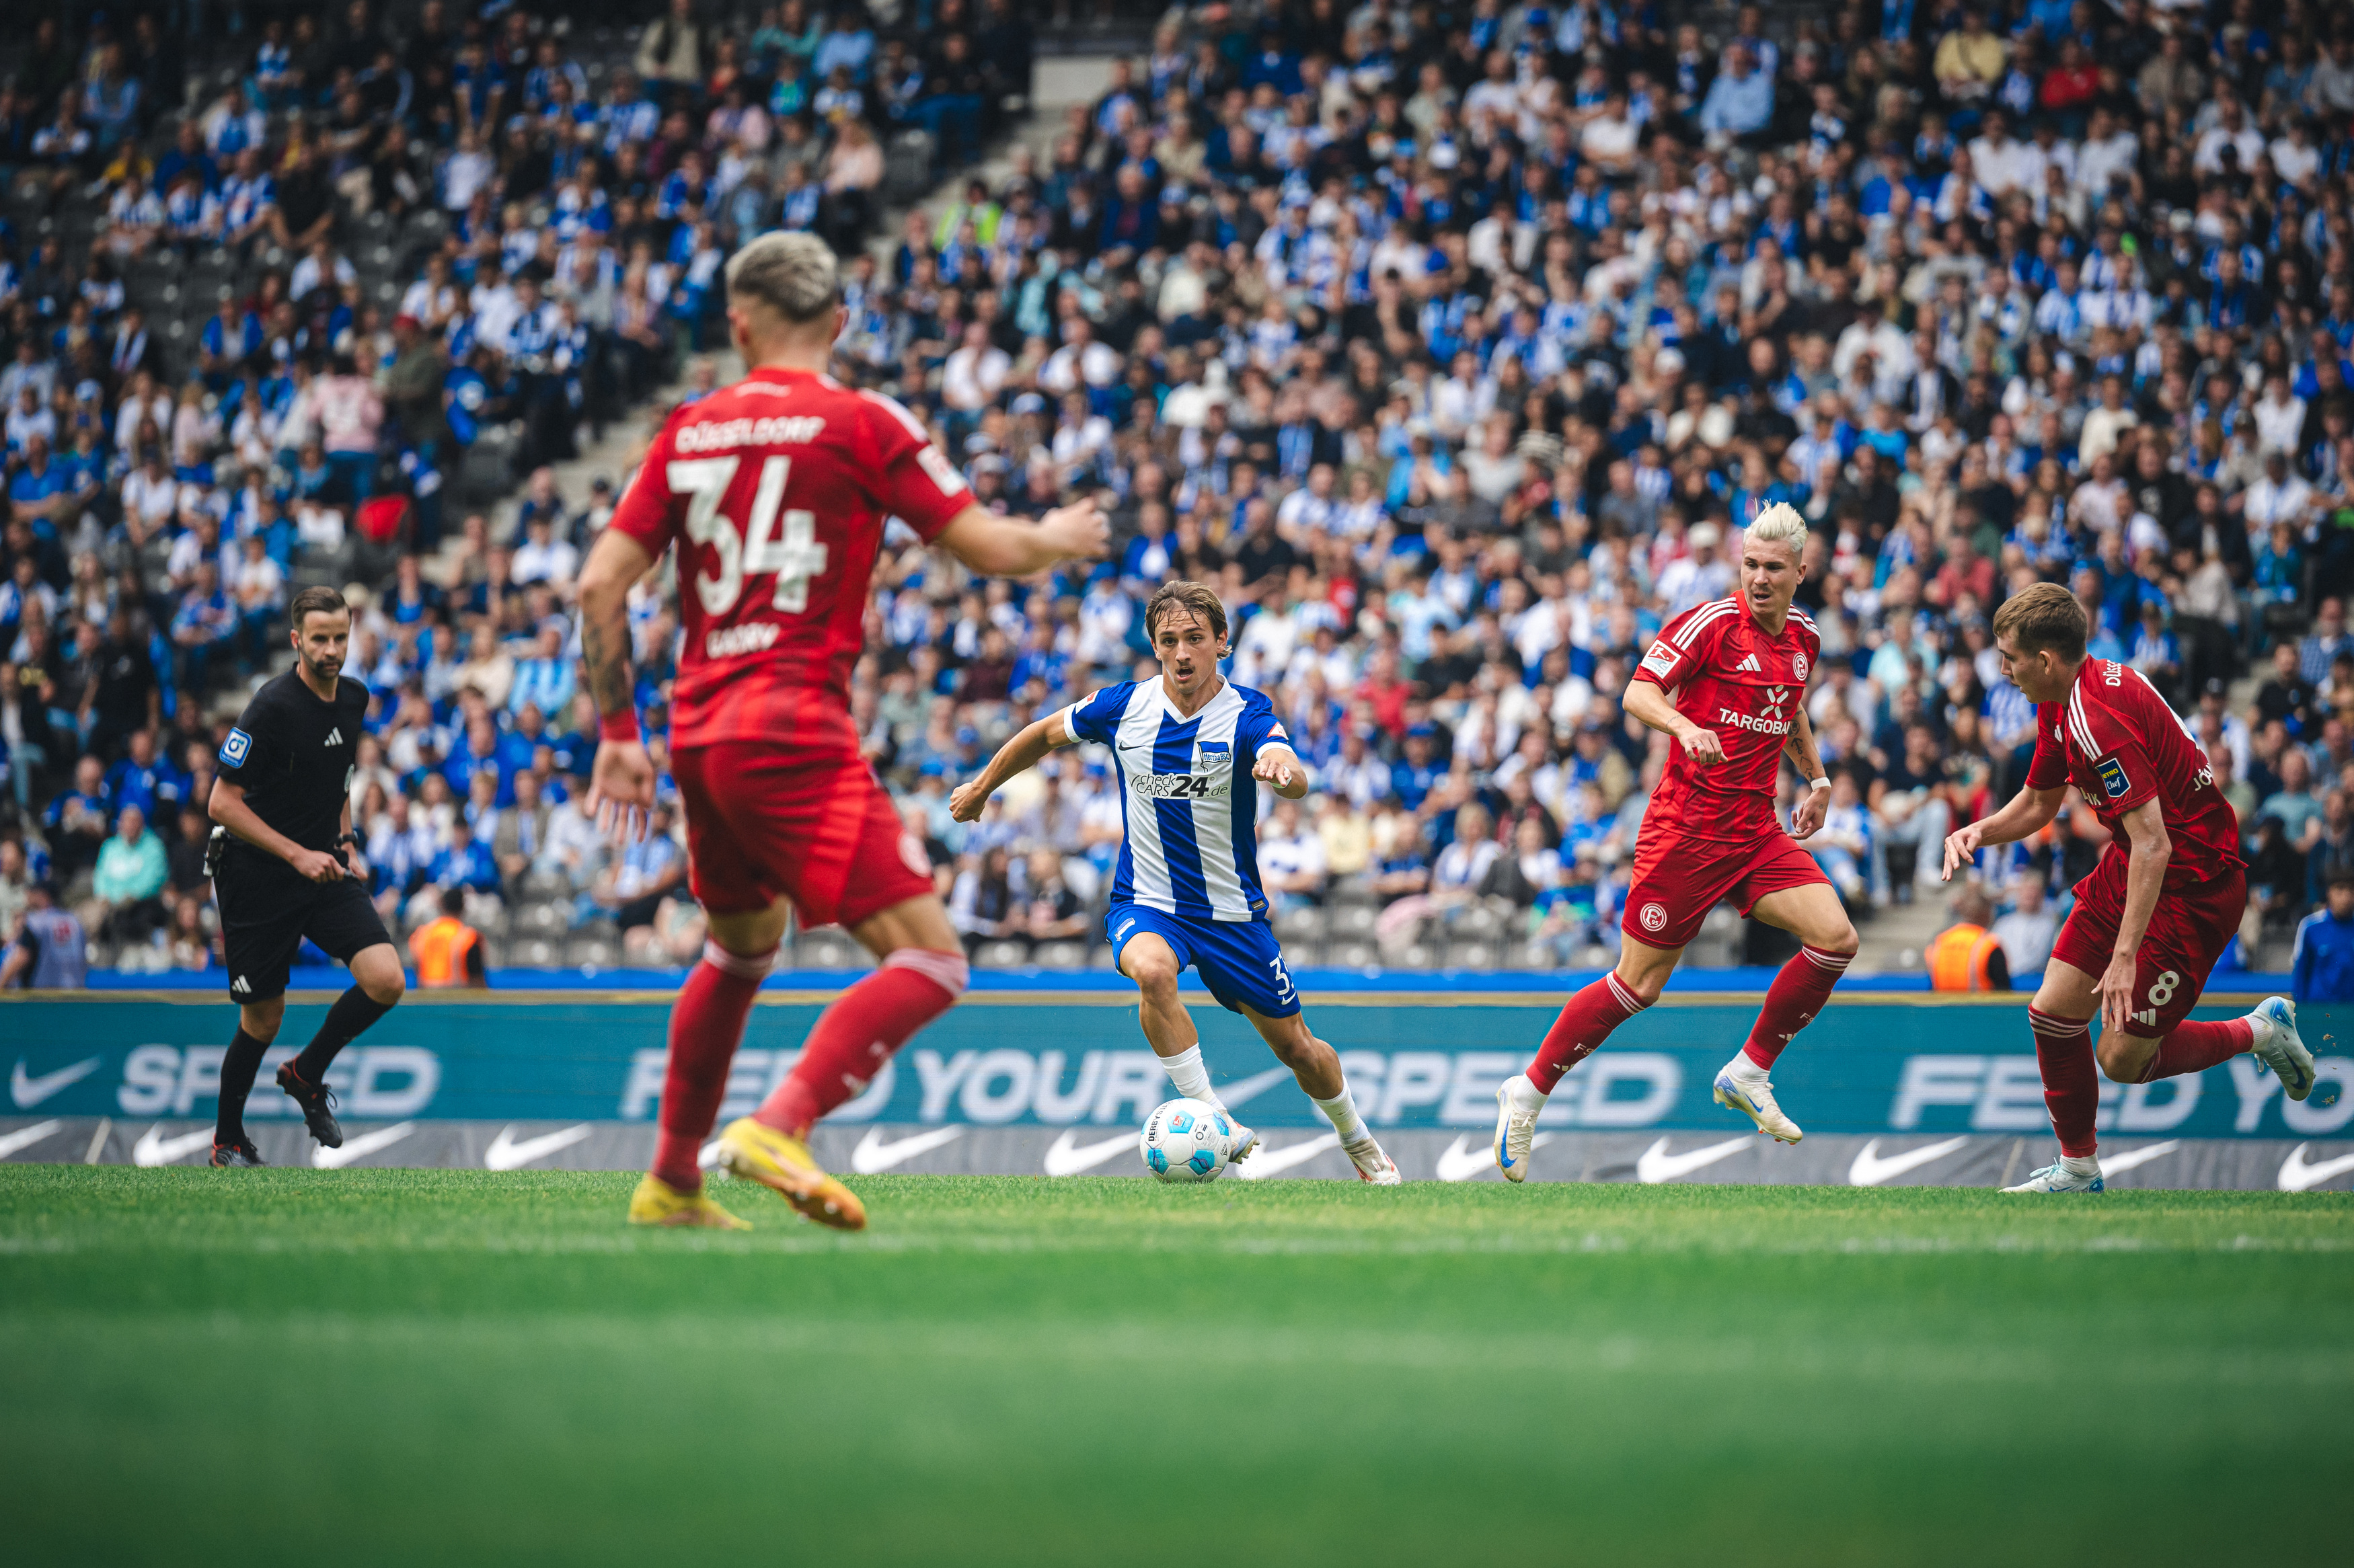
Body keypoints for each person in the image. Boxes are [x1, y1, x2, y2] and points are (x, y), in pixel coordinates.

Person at [578, 231, 1106, 1232]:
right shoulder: (861, 421)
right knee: (933, 958)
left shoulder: (688, 431)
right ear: (842, 321)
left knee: (738, 951)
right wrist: (1060, 538)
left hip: (698, 731)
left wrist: (616, 729)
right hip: (790, 725)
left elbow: (603, 581)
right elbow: (988, 545)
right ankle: (782, 1122)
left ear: (738, 325)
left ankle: (670, 1184)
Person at [950, 580, 1402, 1184]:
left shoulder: (1247, 712)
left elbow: (1290, 770)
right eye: (1169, 641)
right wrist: (983, 787)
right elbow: (1041, 734)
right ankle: (1215, 1116)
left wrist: (1283, 772)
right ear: (1155, 648)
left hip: (1232, 914)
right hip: (1148, 901)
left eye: (1195, 638)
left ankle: (1360, 1143)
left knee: (1299, 1049)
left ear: (1222, 643)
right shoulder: (1122, 707)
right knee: (1153, 971)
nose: (1183, 652)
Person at [1493, 504, 1858, 1179]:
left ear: (1800, 573)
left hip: (1753, 831)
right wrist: (1680, 726)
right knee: (1637, 985)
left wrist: (1817, 777)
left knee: (1836, 938)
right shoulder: (1712, 623)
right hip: (1684, 835)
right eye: (1748, 563)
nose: (1756, 578)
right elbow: (1638, 690)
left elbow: (1792, 705)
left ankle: (1748, 1070)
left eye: (1771, 567)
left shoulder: (1802, 638)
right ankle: (1529, 1089)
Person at [1941, 583, 2313, 1194]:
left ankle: (2261, 1031)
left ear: (2045, 659)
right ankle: (2079, 1170)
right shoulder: (2061, 697)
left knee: (2120, 1060)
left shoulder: (2097, 720)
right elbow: (2040, 800)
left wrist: (2122, 959)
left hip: (2194, 884)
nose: (2001, 669)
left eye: (2009, 657)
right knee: (2052, 1014)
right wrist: (1980, 830)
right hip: (2135, 862)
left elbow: (2158, 844)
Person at [205, 586, 408, 1169]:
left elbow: (338, 776)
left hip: (321, 862)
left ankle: (306, 1073)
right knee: (265, 1017)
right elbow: (221, 803)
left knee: (386, 979)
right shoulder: (270, 706)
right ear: (297, 640)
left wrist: (344, 840)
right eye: (319, 638)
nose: (331, 649)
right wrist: (296, 854)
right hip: (255, 872)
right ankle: (227, 1138)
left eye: (340, 637)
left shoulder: (355, 698)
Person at [0, 881, 87, 990]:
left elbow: (21, 957)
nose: (27, 896)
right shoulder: (75, 922)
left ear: (43, 896)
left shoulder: (35, 922)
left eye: (32, 892)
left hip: (43, 997)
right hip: (75, 994)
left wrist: (2, 985)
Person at [1926, 884, 2010, 991]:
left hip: (1941, 1006)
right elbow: (2004, 992)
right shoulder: (1989, 945)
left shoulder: (1939, 941)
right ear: (1987, 914)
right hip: (1981, 1007)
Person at [2290, 867, 2354, 1005]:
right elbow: (2301, 973)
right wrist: (2301, 1013)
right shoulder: (2310, 926)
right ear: (2329, 893)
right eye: (2340, 890)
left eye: (2351, 891)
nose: (2346, 897)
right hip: (2319, 1010)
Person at [409, 886, 488, 988]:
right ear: (463, 907)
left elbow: (417, 968)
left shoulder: (421, 934)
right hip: (457, 1000)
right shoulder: (469, 937)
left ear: (442, 906)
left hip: (426, 999)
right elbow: (477, 980)